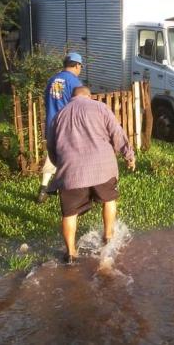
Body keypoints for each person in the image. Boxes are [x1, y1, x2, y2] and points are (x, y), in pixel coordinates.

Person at [46, 86, 136, 264]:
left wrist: (61, 165)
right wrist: (129, 155)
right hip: (102, 168)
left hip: (71, 171)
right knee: (109, 200)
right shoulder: (100, 108)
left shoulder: (59, 115)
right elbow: (116, 133)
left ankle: (71, 253)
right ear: (88, 96)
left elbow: (51, 147)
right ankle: (108, 236)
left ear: (72, 98)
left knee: (69, 214)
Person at [37, 52, 84, 203]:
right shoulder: (75, 83)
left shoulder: (52, 80)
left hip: (51, 125)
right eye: (80, 66)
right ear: (77, 65)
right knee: (71, 157)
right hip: (67, 126)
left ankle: (43, 189)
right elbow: (79, 106)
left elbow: (46, 101)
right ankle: (69, 190)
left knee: (52, 156)